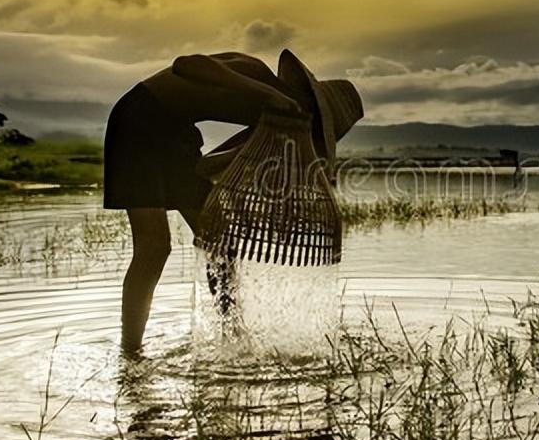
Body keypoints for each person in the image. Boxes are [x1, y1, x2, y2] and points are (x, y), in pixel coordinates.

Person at [103, 49, 363, 353]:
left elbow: (219, 162)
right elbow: (186, 65)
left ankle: (233, 335)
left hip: (178, 134)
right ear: (304, 100)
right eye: (309, 118)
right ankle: (130, 351)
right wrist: (267, 93)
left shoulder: (271, 119)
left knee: (222, 242)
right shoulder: (254, 72)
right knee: (155, 247)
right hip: (139, 120)